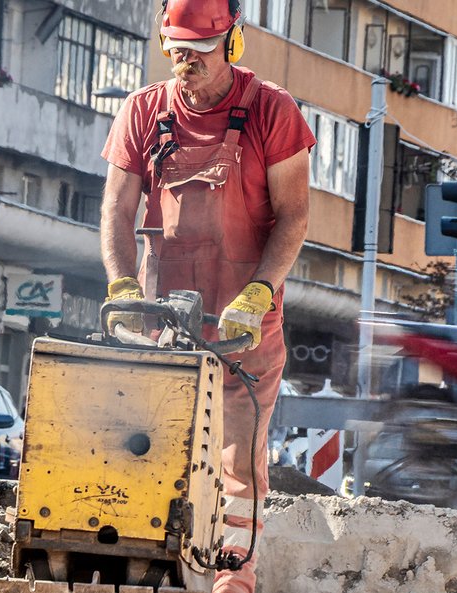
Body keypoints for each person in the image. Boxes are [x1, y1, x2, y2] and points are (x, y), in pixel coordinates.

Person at [99, 1, 315, 591]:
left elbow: (294, 218)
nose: (182, 60)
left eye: (196, 49)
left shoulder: (273, 110)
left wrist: (258, 294)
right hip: (158, 323)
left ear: (232, 43)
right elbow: (116, 210)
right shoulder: (144, 111)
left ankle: (231, 583)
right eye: (174, 48)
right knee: (139, 451)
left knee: (237, 467)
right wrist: (122, 287)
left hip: (243, 326)